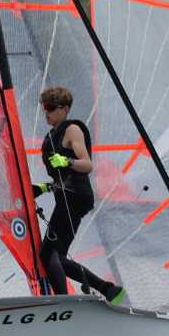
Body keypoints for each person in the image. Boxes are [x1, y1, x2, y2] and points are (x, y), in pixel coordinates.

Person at [34, 86, 129, 304]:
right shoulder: (51, 136)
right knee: (54, 256)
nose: (46, 112)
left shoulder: (72, 129)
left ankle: (64, 302)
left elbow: (87, 165)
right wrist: (44, 187)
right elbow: (60, 177)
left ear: (65, 109)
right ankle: (108, 289)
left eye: (51, 107)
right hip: (66, 195)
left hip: (76, 196)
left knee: (49, 254)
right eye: (44, 107)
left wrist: (67, 161)